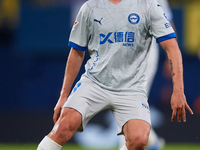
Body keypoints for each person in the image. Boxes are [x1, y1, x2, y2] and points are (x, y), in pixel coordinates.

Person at [37, 0, 193, 150]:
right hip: (94, 83)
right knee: (63, 128)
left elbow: (172, 47)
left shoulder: (149, 5)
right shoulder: (90, 7)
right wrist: (63, 95)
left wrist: (178, 90)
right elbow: (77, 52)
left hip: (131, 88)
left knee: (139, 140)